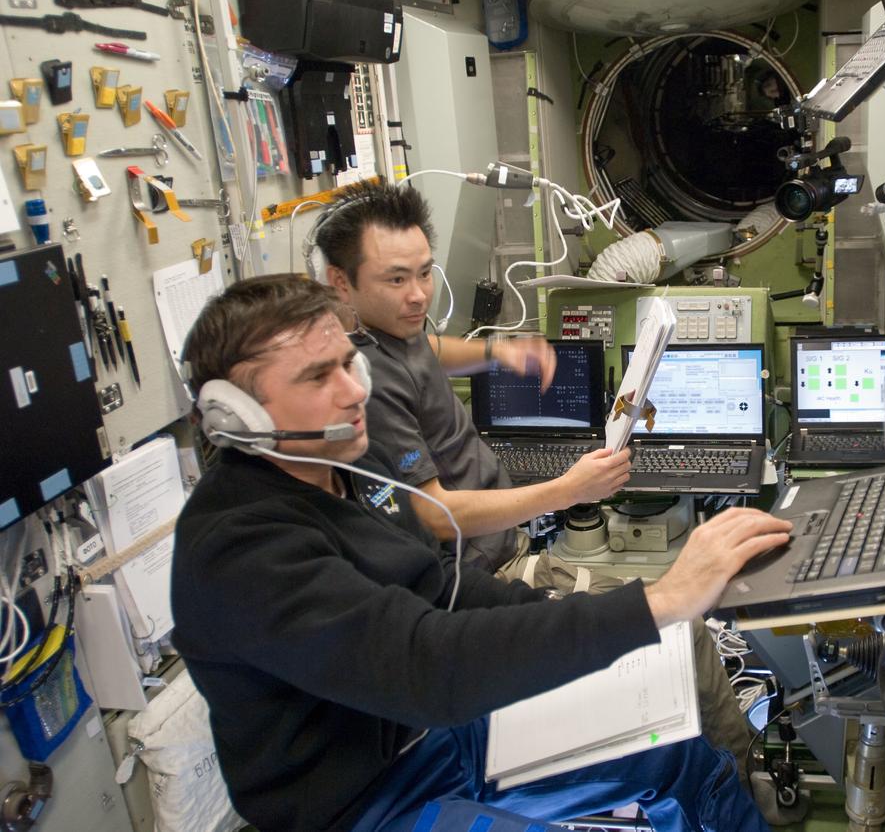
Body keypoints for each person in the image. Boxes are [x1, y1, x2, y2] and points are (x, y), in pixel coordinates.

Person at [172, 273, 793, 832]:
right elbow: (425, 666)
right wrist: (659, 601)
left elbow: (445, 586)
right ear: (238, 415)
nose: (353, 392)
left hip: (440, 738)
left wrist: (570, 617)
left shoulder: (353, 462)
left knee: (677, 749)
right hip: (363, 803)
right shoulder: (238, 549)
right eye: (316, 377)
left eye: (348, 364)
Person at [318, 181, 752, 771]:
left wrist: (496, 351)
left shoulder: (396, 327)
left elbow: (427, 349)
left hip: (510, 546)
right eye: (396, 279)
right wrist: (567, 490)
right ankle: (748, 777)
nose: (417, 295)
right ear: (340, 282)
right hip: (479, 577)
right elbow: (433, 516)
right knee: (685, 632)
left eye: (425, 273)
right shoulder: (365, 383)